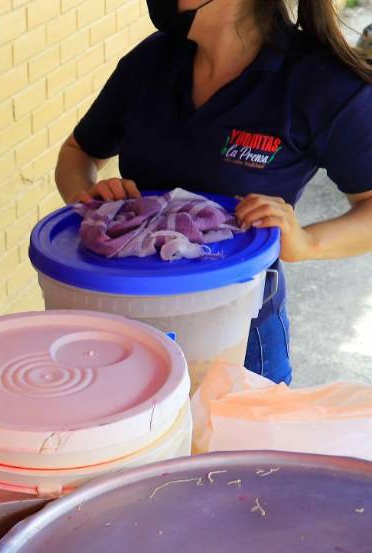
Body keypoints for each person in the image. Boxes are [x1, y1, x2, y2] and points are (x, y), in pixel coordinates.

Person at [55, 0, 372, 384]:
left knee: (237, 443)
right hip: (130, 326)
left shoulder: (323, 84)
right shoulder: (151, 62)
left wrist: (307, 242)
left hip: (239, 336)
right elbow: (77, 152)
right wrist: (90, 201)